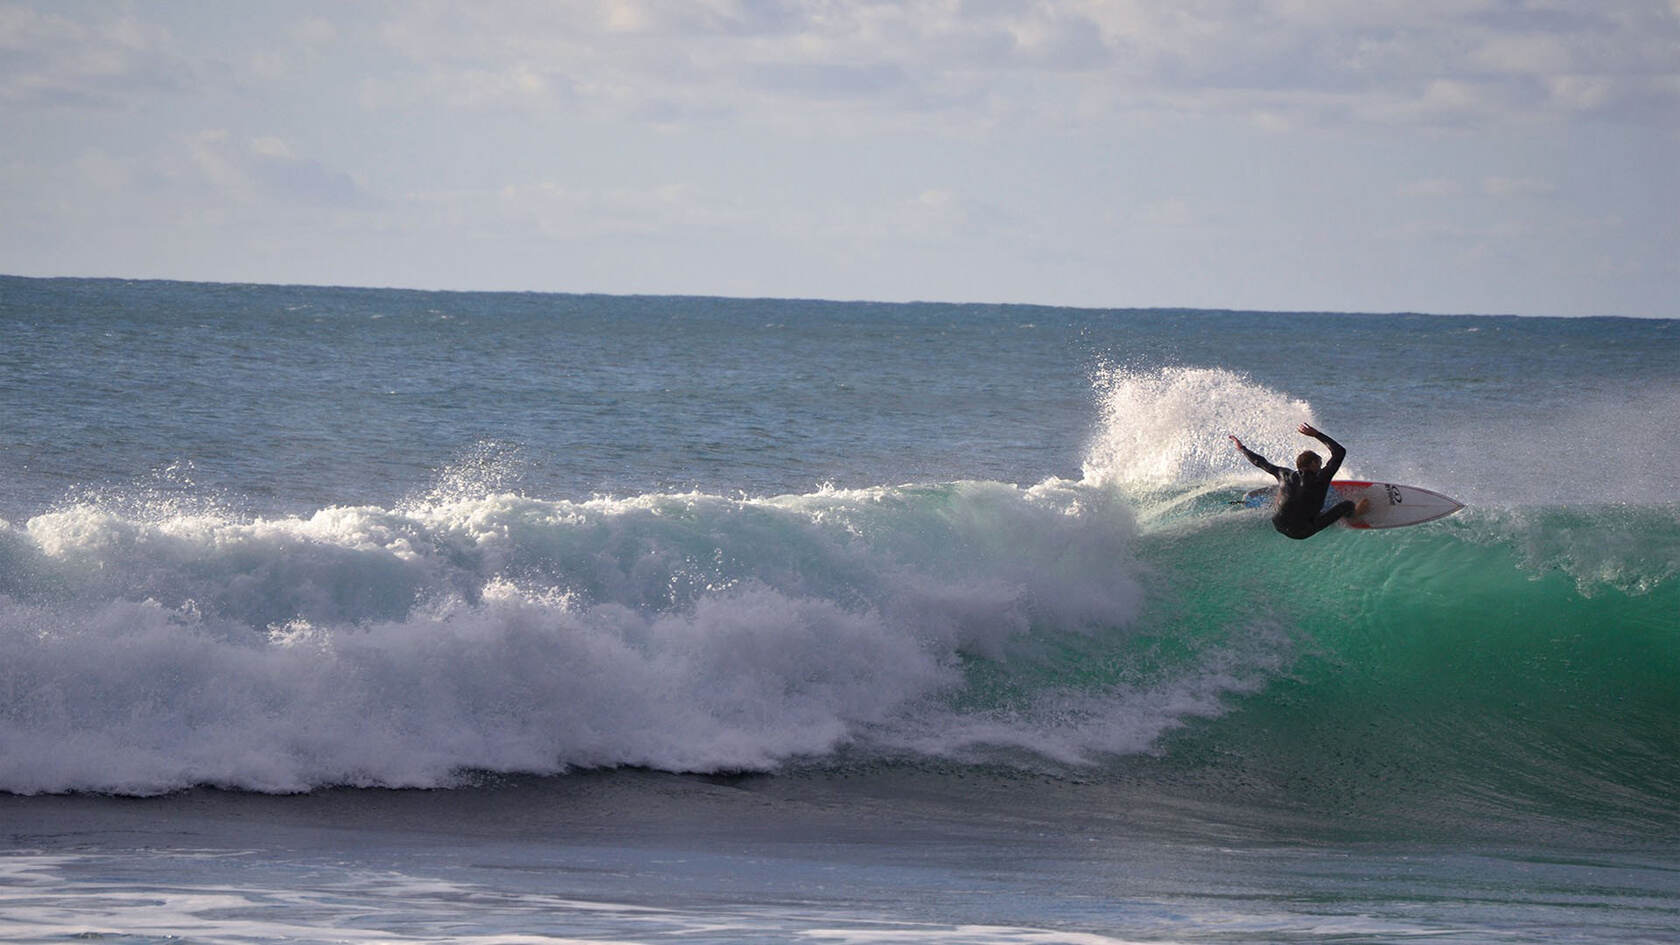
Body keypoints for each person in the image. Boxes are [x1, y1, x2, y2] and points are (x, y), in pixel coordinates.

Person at [1229, 423, 1369, 540]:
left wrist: (1241, 448)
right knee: (1347, 505)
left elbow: (1259, 462)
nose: (1321, 466)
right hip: (1302, 532)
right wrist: (1316, 434)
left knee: (1285, 493)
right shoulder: (1322, 477)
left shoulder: (1283, 474)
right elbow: (1339, 452)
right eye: (1319, 463)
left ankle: (1289, 507)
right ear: (1313, 464)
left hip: (1278, 524)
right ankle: (1354, 514)